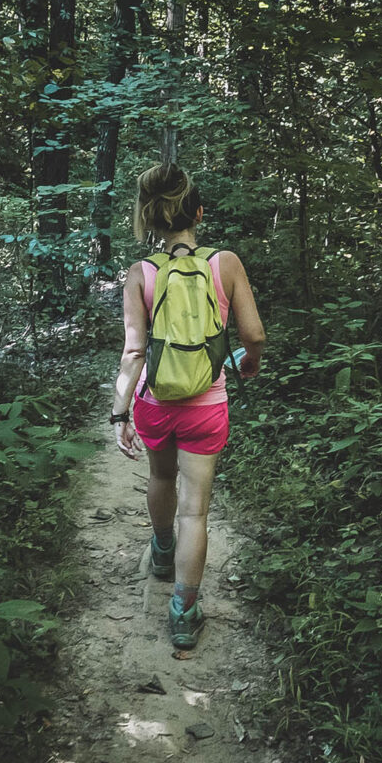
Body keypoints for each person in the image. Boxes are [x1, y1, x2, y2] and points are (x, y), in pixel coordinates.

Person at [110, 163, 265, 649]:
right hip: (207, 402)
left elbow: (134, 351)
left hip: (156, 401)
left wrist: (119, 411)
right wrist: (250, 360)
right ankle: (184, 610)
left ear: (151, 220)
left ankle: (160, 551)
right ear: (198, 212)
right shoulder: (227, 263)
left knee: (160, 476)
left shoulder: (140, 273)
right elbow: (254, 334)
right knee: (195, 512)